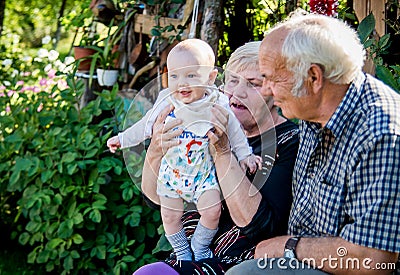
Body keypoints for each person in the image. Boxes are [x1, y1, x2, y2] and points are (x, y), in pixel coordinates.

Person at [226, 12, 400, 274]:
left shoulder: (381, 134)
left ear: (314, 78)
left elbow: (373, 260)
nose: (265, 90)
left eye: (272, 79)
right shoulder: (312, 111)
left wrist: (289, 246)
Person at [133, 41, 299, 274]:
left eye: (253, 84)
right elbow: (154, 199)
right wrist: (156, 149)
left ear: (275, 91)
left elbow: (259, 226)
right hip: (187, 253)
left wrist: (222, 151)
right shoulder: (193, 120)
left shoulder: (289, 142)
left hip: (239, 261)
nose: (237, 92)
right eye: (232, 81)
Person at [107, 38, 262, 262]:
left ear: (210, 78)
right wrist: (122, 139)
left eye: (191, 75)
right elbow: (145, 126)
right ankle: (182, 252)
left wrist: (245, 154)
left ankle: (199, 246)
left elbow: (234, 131)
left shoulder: (217, 102)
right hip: (173, 174)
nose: (182, 83)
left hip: (203, 175)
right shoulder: (166, 101)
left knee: (212, 212)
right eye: (175, 76)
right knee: (169, 216)